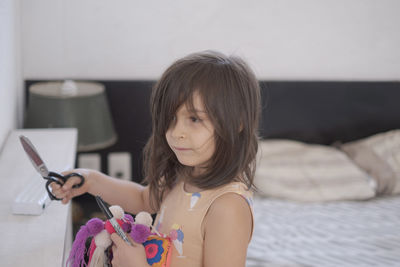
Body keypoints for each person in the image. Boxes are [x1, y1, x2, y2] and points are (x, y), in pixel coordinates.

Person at [53, 50, 261, 267]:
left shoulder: (228, 207)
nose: (176, 132)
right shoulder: (183, 175)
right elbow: (143, 198)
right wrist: (91, 181)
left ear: (237, 123)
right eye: (171, 118)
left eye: (194, 119)